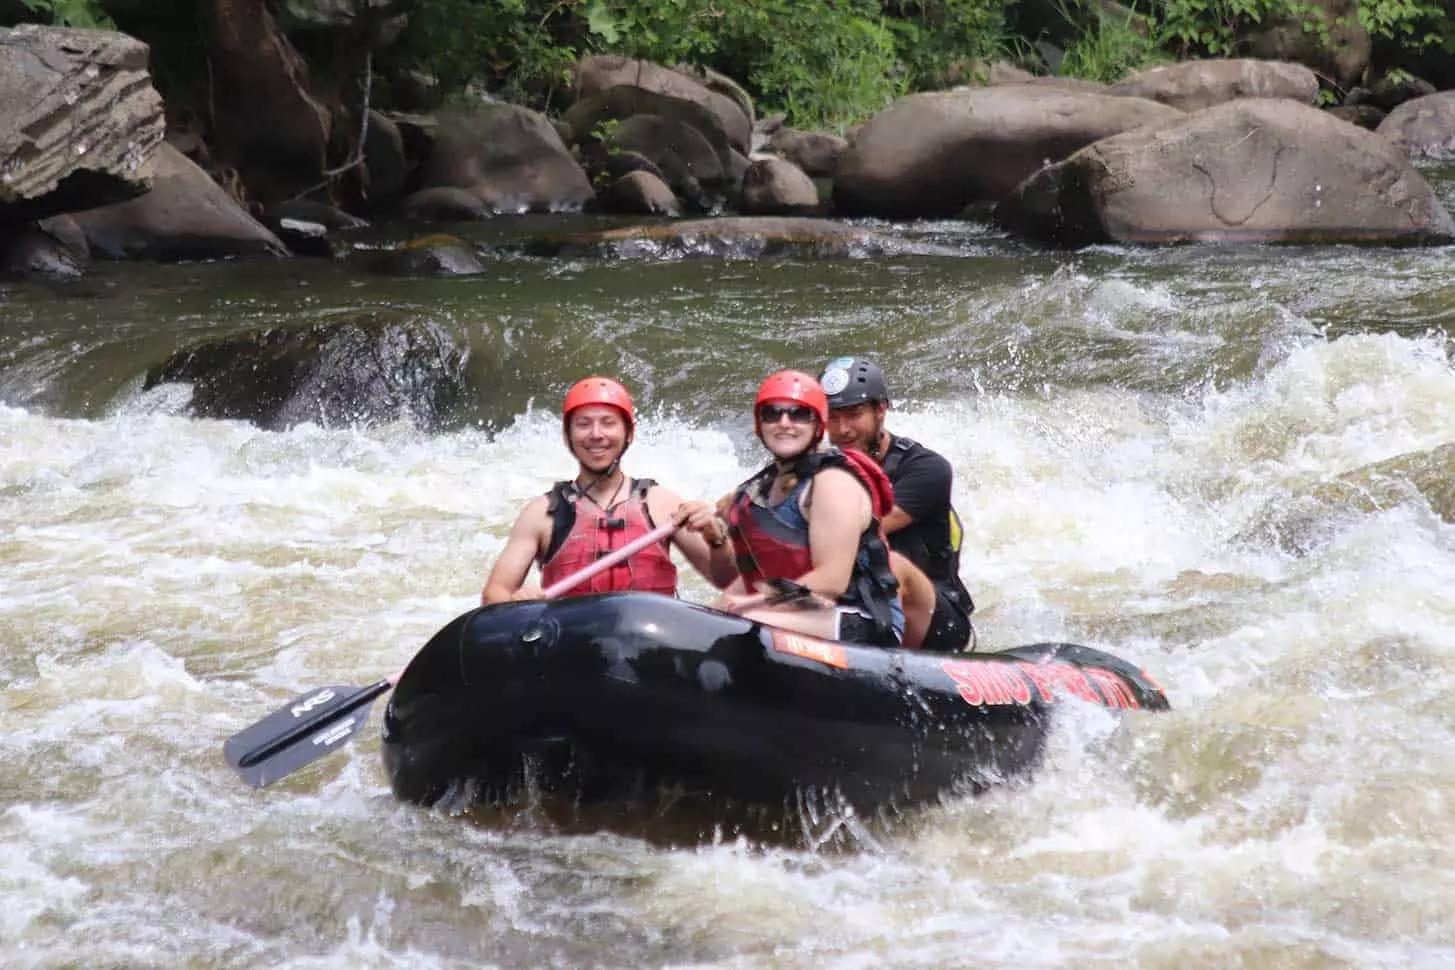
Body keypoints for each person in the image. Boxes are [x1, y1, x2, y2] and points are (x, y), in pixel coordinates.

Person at [679, 370, 904, 646]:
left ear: (818, 424)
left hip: (864, 619)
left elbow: (830, 581)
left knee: (732, 625)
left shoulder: (833, 482)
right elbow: (743, 578)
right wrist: (715, 537)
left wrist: (750, 604)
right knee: (707, 621)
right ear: (759, 425)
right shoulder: (758, 491)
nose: (784, 423)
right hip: (806, 610)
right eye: (772, 414)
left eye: (798, 414)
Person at [481, 376, 735, 605]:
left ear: (628, 434)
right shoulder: (541, 514)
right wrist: (518, 603)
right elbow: (494, 595)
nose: (596, 434)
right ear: (567, 436)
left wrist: (717, 538)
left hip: (648, 644)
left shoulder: (662, 505)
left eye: (608, 423)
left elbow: (728, 581)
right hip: (573, 641)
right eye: (583, 424)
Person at [819, 356, 976, 652]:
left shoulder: (927, 469)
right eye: (832, 417)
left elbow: (857, 529)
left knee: (891, 564)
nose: (842, 430)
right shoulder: (816, 467)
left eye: (853, 415)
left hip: (935, 616)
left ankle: (886, 664)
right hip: (857, 603)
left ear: (881, 410)